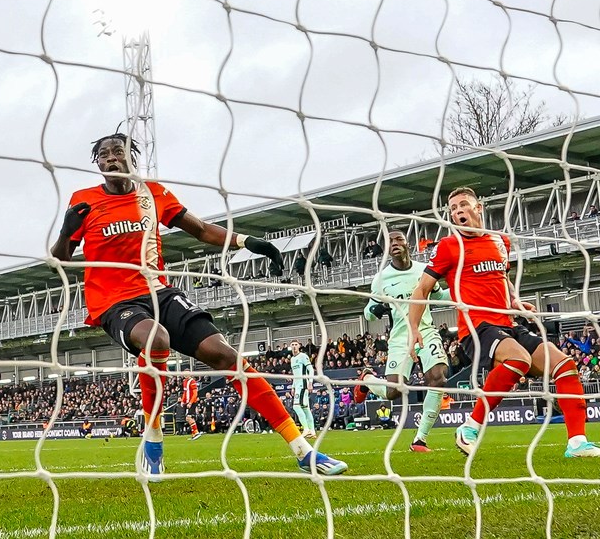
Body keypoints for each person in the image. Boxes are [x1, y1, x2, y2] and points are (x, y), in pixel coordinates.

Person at [51, 131, 348, 476]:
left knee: (226, 356)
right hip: (114, 301)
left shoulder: (153, 194)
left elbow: (202, 230)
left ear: (132, 158)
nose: (111, 158)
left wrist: (247, 241)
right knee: (155, 338)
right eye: (104, 154)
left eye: (118, 151)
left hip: (159, 291)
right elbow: (61, 259)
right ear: (98, 164)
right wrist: (66, 230)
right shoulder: (83, 200)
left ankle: (303, 450)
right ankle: (153, 439)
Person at [408, 187, 599, 459]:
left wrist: (516, 301)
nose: (457, 211)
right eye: (452, 208)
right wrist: (414, 329)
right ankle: (470, 427)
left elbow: (501, 277)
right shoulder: (450, 246)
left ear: (479, 208)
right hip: (477, 328)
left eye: (463, 205)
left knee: (565, 366)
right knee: (518, 359)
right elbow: (421, 289)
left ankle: (577, 442)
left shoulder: (500, 241)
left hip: (508, 324)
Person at [355, 229, 450, 452]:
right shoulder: (381, 279)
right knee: (394, 391)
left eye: (399, 239)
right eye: (390, 241)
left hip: (425, 331)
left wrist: (462, 290)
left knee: (438, 378)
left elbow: (439, 296)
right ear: (386, 249)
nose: (394, 243)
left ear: (407, 244)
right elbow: (368, 312)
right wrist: (375, 309)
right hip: (399, 338)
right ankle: (368, 379)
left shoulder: (423, 271)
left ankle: (420, 440)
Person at [288, 342, 317, 439]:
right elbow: (295, 375)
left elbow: (311, 369)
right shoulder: (292, 359)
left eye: (296, 344)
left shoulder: (303, 356)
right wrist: (293, 386)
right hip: (297, 385)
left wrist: (310, 382)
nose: (294, 346)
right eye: (292, 345)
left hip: (303, 384)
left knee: (296, 406)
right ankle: (312, 431)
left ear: (299, 346)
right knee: (305, 408)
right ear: (290, 347)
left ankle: (306, 429)